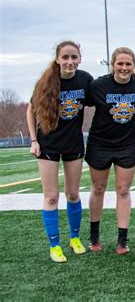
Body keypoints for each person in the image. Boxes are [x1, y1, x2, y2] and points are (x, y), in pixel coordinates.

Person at [27, 40, 92, 262]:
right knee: (52, 196)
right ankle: (54, 245)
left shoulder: (85, 79)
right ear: (57, 59)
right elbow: (31, 110)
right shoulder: (46, 82)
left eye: (74, 57)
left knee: (73, 194)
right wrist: (34, 140)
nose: (70, 62)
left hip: (73, 143)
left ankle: (75, 238)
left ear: (80, 58)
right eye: (65, 57)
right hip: (48, 144)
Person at [86, 47, 135, 255]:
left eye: (128, 63)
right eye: (120, 63)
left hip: (126, 145)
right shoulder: (98, 85)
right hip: (100, 143)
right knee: (98, 189)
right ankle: (94, 236)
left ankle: (122, 239)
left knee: (123, 190)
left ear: (133, 65)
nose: (124, 67)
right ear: (112, 64)